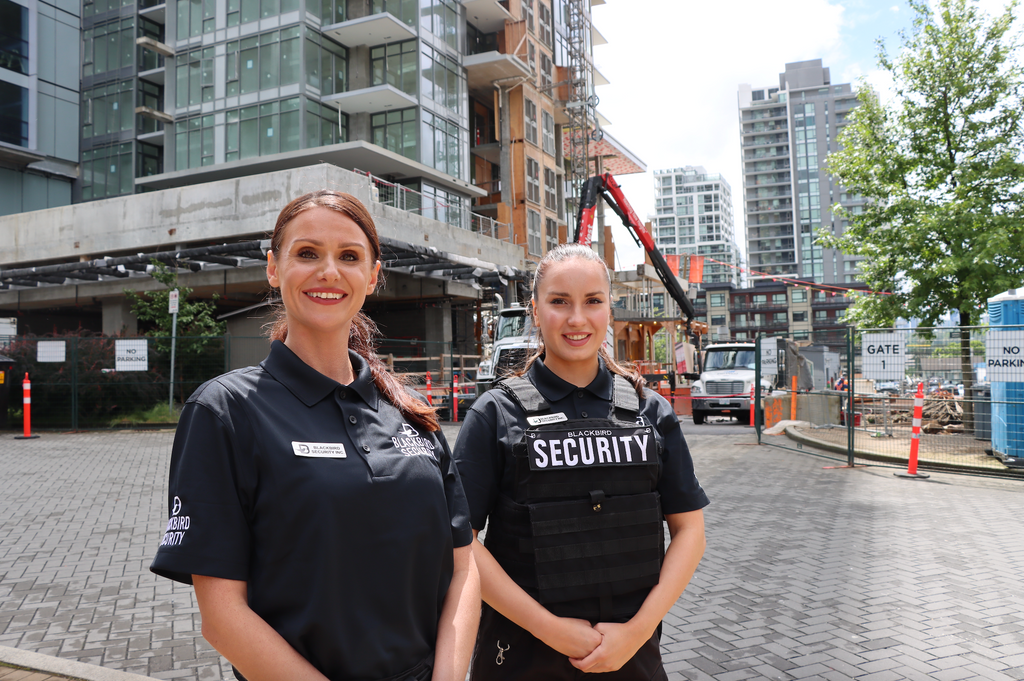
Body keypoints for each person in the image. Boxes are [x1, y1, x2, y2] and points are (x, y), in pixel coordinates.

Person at [150, 190, 480, 681]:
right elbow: (223, 619)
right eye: (307, 253)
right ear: (273, 268)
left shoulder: (409, 411)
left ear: (371, 275)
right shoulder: (225, 411)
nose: (329, 271)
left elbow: (464, 566)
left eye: (349, 256)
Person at [453, 243, 708, 680]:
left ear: (610, 308)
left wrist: (636, 632)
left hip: (631, 658)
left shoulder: (651, 412)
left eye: (592, 301)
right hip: (523, 658)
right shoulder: (495, 413)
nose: (576, 319)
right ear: (535, 310)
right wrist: (550, 630)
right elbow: (460, 544)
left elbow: (690, 531)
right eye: (559, 302)